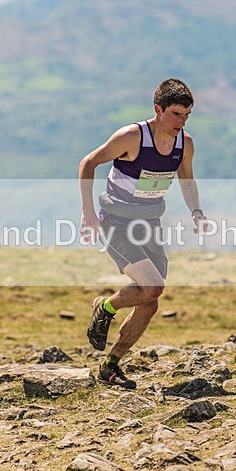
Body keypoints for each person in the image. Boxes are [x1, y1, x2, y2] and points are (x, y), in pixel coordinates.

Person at [79, 79, 207, 389]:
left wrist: (196, 212)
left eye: (187, 115)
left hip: (149, 225)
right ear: (158, 109)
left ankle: (110, 366)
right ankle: (106, 307)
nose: (182, 122)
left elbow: (186, 180)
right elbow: (89, 163)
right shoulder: (132, 137)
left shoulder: (184, 144)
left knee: (150, 302)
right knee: (153, 286)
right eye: (176, 114)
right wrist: (87, 213)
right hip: (117, 224)